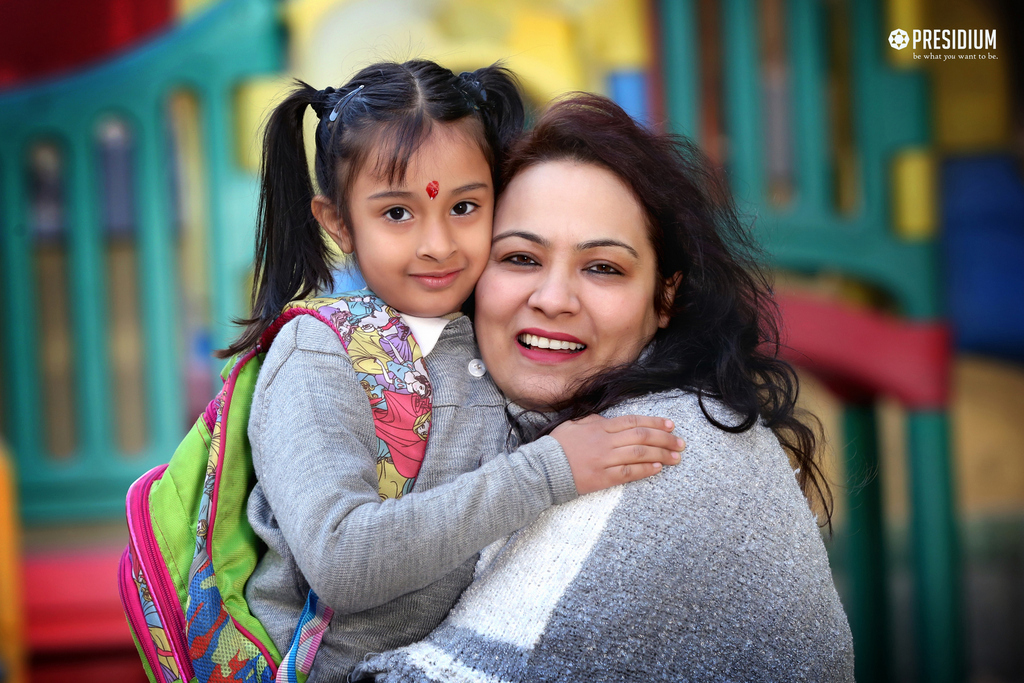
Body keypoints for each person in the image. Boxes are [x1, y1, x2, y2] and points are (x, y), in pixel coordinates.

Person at [353, 94, 854, 681]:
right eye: (518, 257)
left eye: (602, 268)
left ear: (665, 296)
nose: (554, 298)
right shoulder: (469, 413)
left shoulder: (662, 450)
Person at [225, 62, 683, 681]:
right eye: (397, 214)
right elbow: (341, 560)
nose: (437, 244)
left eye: (464, 206)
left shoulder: (487, 331)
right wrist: (551, 471)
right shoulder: (319, 353)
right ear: (337, 222)